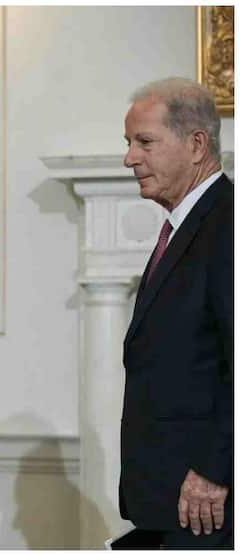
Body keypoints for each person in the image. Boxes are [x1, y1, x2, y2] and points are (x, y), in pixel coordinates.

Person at [120, 77, 233, 549]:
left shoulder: (228, 225)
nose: (129, 158)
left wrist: (214, 469)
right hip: (168, 493)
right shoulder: (186, 226)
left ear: (196, 145)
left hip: (206, 500)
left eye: (145, 142)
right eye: (129, 143)